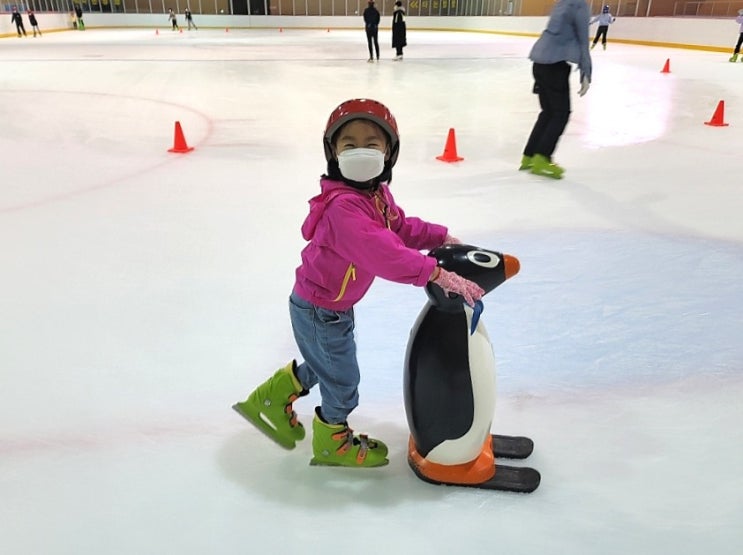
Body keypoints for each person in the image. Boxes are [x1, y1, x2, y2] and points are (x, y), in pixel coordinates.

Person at [232, 98, 484, 468]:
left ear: (389, 152)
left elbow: (398, 227)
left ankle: (269, 399)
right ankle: (332, 439)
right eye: (349, 144)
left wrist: (439, 236)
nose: (360, 151)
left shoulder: (375, 195)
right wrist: (434, 272)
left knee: (327, 365)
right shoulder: (343, 209)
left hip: (327, 304)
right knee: (343, 381)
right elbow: (384, 252)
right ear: (333, 152)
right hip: (321, 309)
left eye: (372, 143)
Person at [520, 0, 592, 179]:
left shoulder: (561, 3)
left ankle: (529, 156)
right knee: (561, 113)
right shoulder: (579, 5)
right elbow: (583, 40)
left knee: (548, 112)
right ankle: (543, 157)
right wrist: (586, 72)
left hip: (539, 62)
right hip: (555, 64)